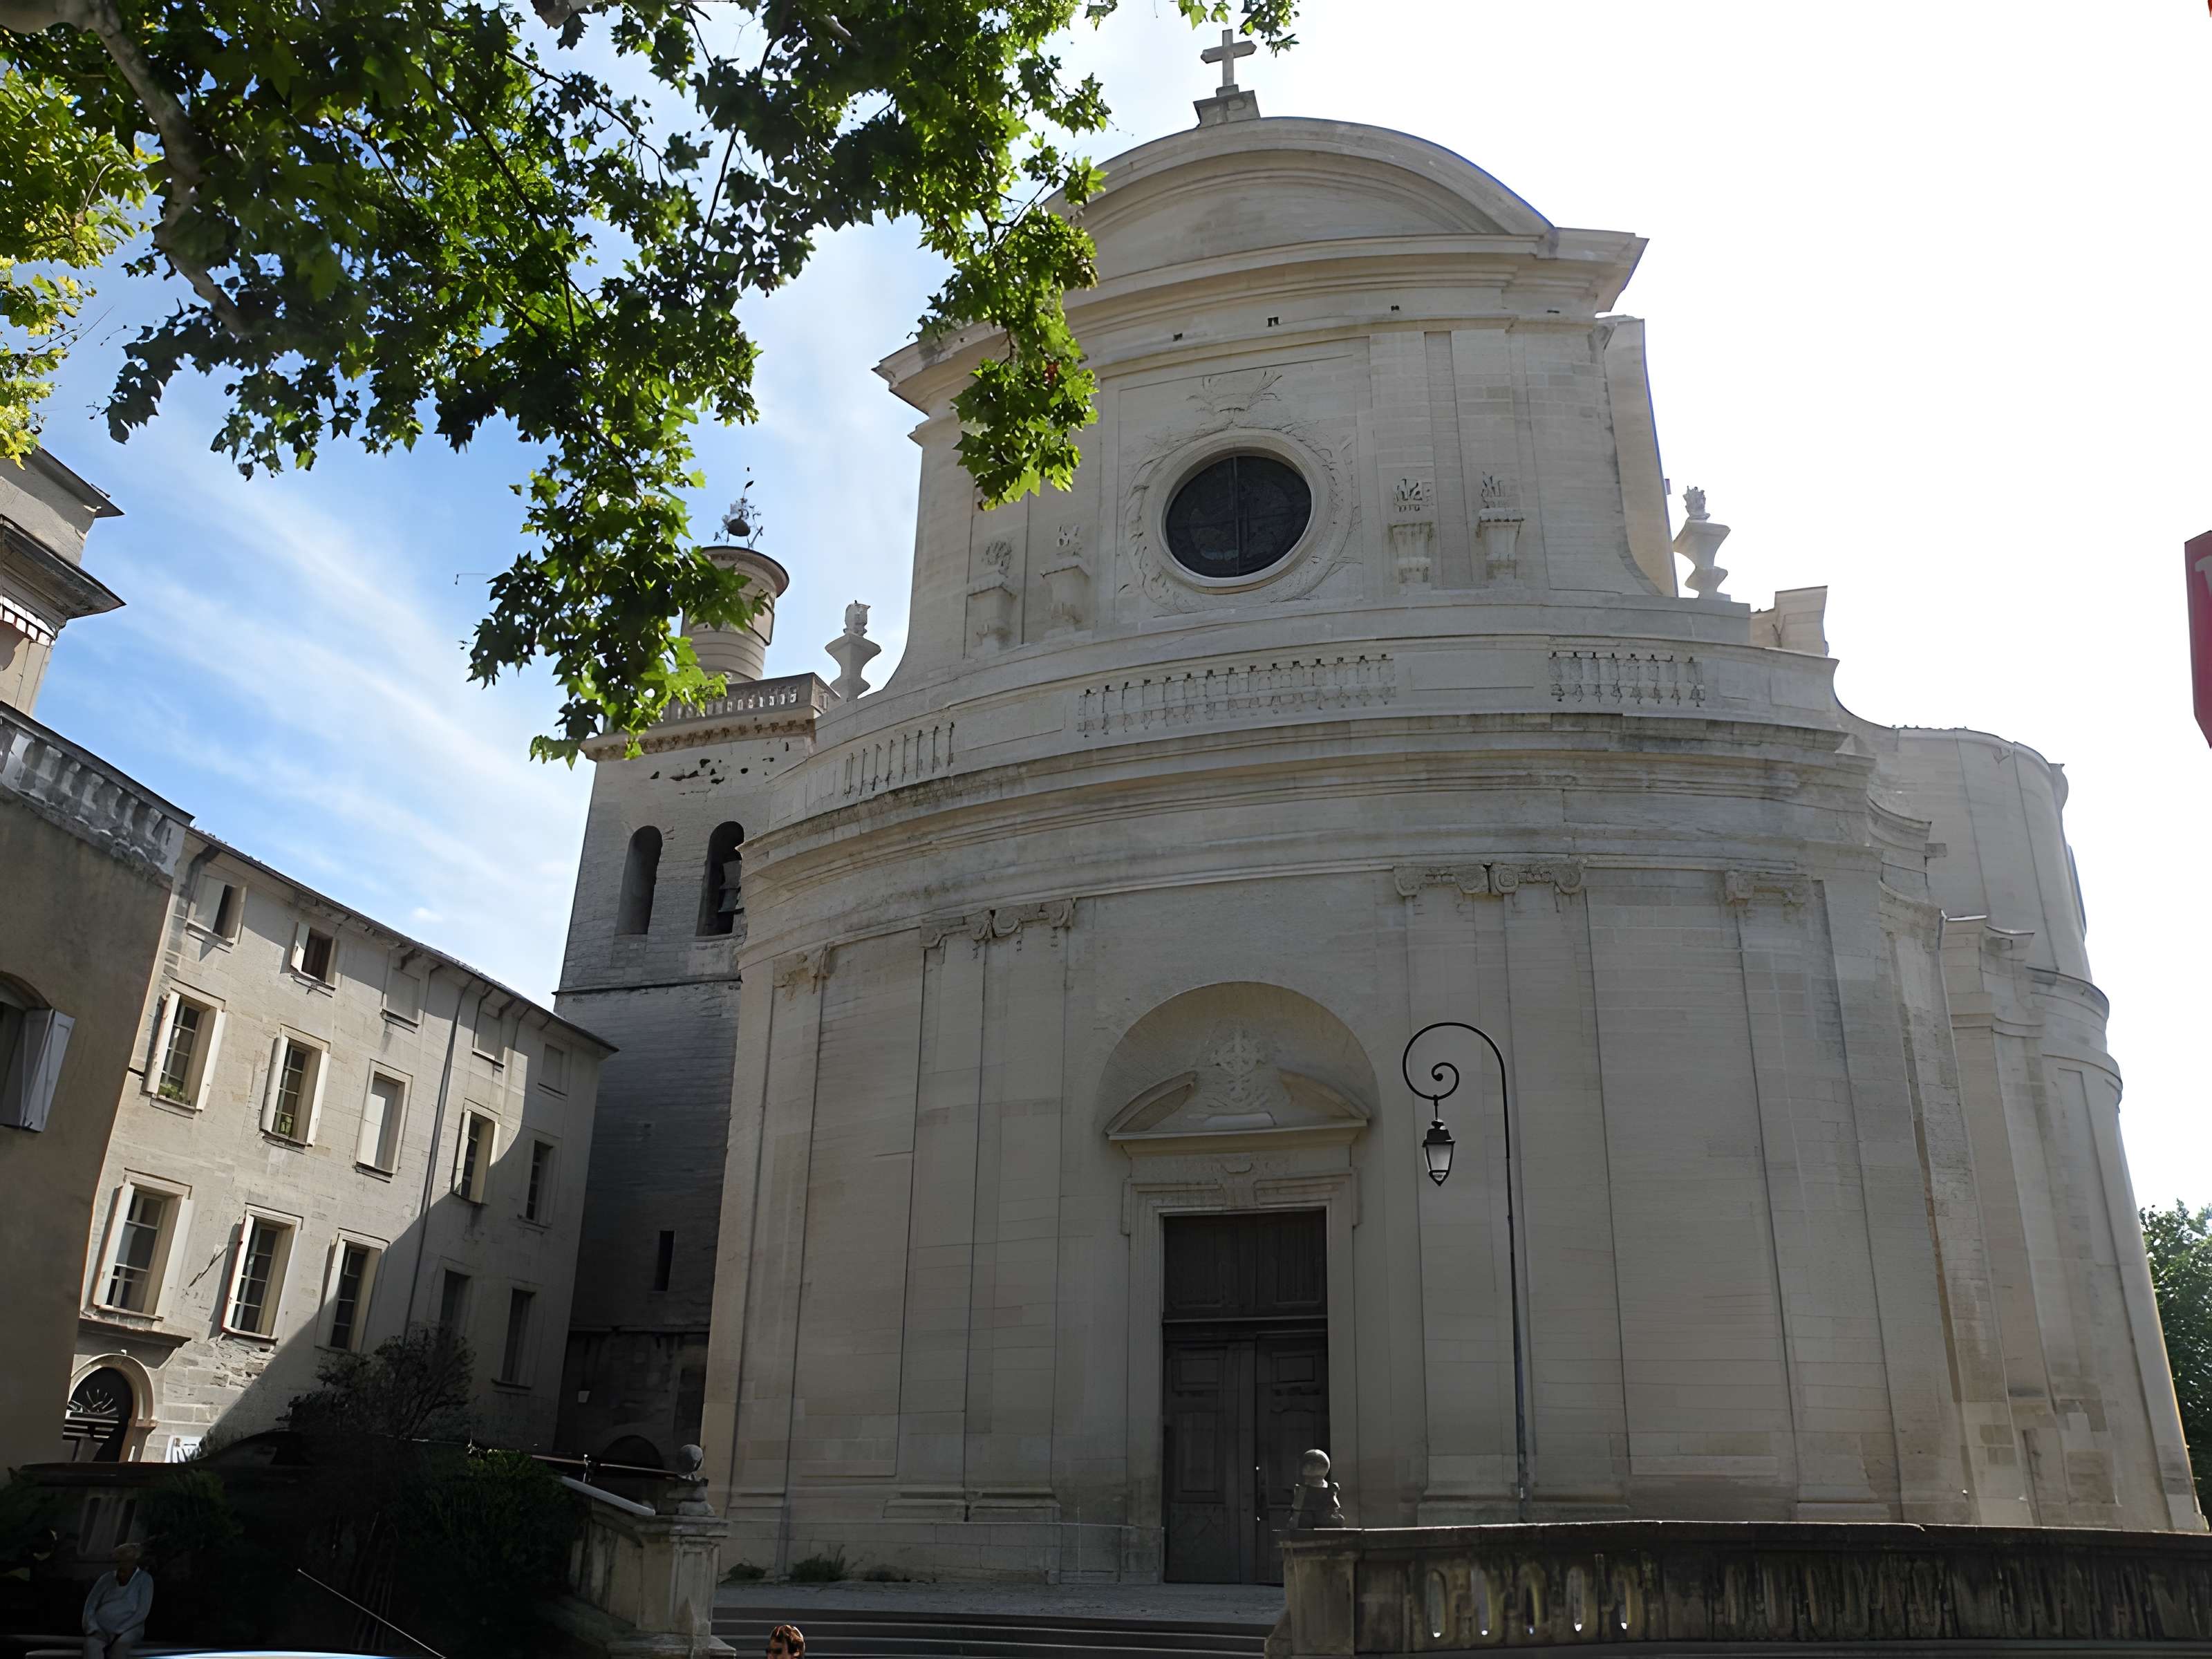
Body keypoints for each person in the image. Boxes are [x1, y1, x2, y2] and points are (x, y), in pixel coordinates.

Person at [81, 1541, 152, 1659]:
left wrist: (119, 1630)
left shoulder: (145, 1580)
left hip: (129, 1629)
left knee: (120, 1648)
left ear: (134, 1562)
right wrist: (93, 1628)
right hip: (101, 1629)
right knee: (92, 1647)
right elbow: (90, 1606)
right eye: (120, 1561)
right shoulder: (106, 1579)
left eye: (127, 1561)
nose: (122, 1565)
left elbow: (142, 1612)